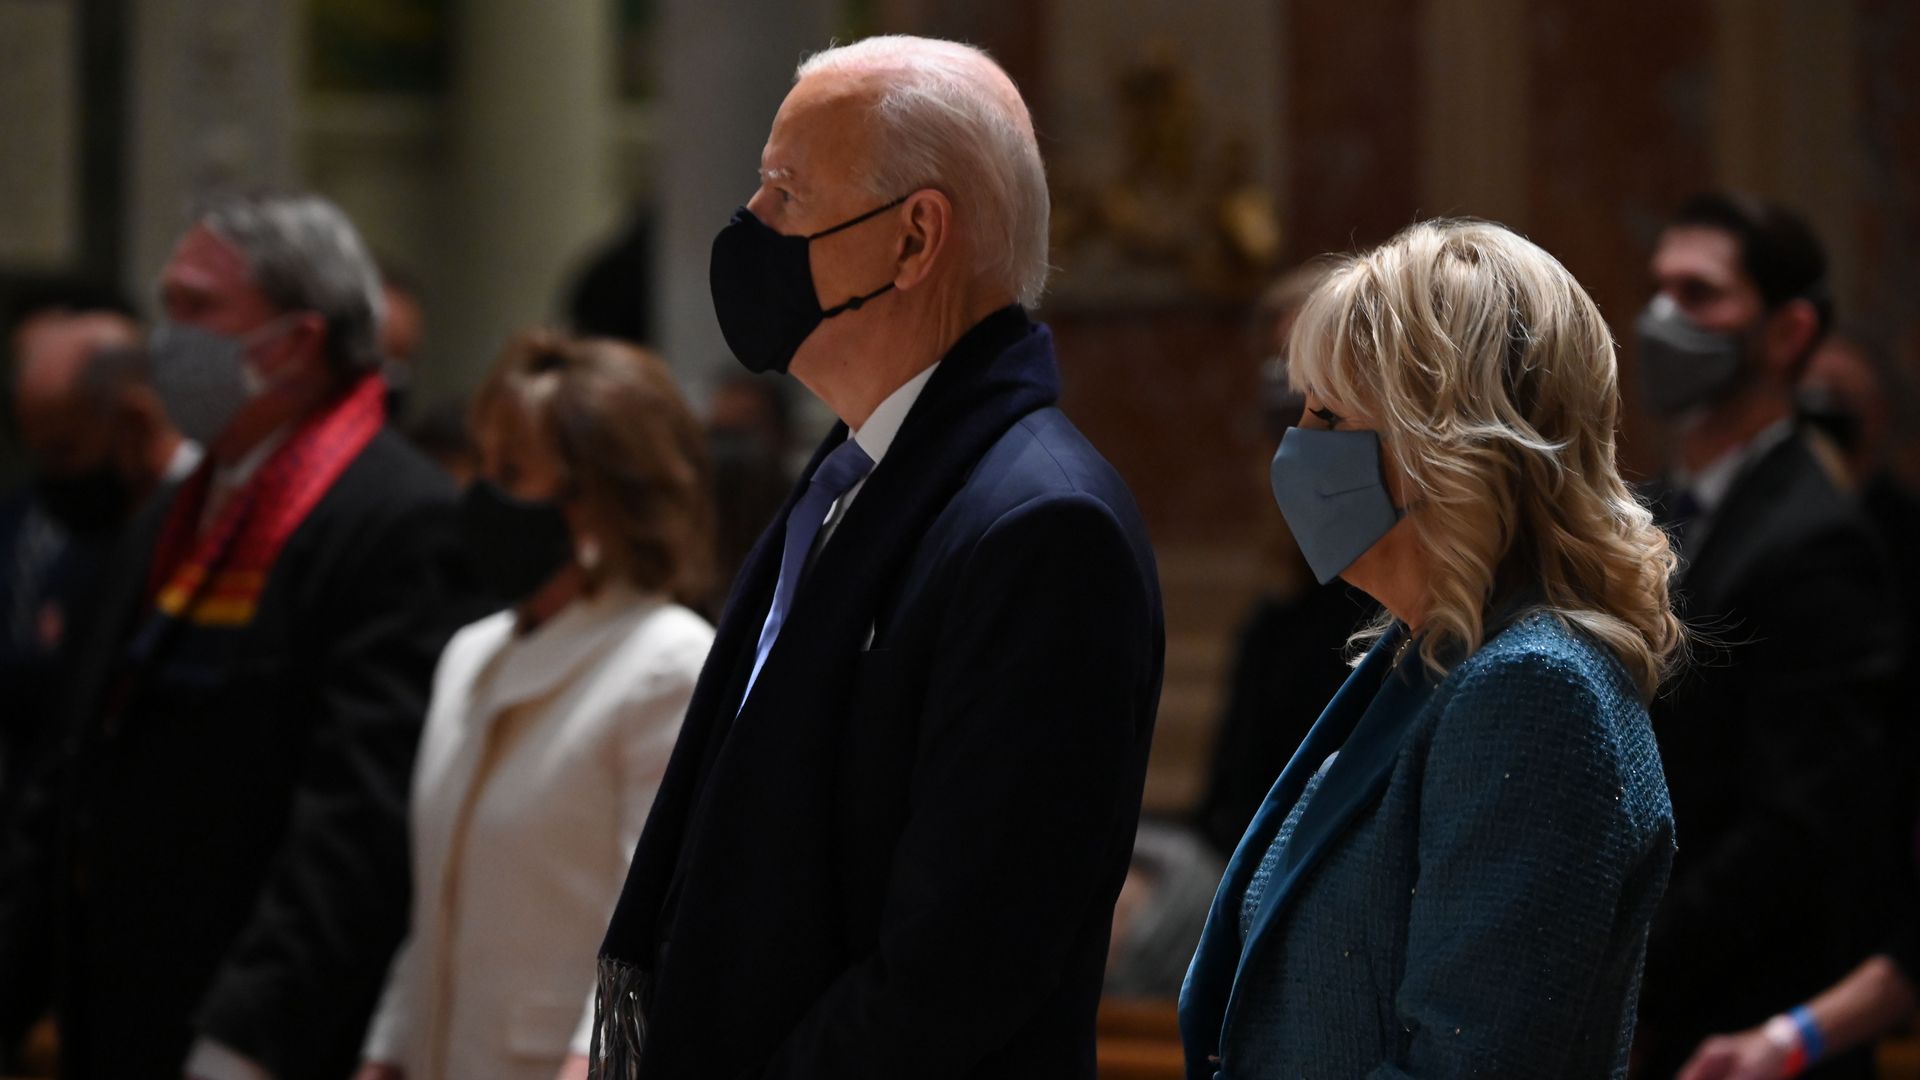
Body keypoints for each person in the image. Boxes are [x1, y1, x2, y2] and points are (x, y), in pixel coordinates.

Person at [591, 35, 1165, 1079]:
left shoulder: (1042, 529)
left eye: (784, 193)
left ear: (914, 241)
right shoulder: (852, 483)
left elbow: (959, 970)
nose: (748, 228)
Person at [1180, 219, 1685, 1078]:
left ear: (1447, 445)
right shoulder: (1427, 656)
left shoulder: (1533, 690)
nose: (1294, 447)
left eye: (1327, 414)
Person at [0, 190, 479, 1079]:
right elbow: (76, 766)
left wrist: (247, 1038)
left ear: (293, 342)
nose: (164, 341)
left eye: (195, 309)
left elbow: (356, 816)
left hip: (257, 1040)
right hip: (119, 1017)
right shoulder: (179, 511)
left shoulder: (395, 518)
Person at [356, 332, 714, 1080]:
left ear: (598, 499)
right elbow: (438, 909)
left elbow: (659, 936)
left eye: (511, 472)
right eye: (482, 465)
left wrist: (595, 1063)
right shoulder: (471, 654)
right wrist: (386, 1049)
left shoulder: (668, 663)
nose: (480, 495)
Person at [1632, 194, 1909, 1079]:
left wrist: (1628, 963)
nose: (1664, 317)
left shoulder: (1817, 539)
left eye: (1701, 293)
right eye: (1658, 289)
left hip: (1742, 1025)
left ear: (1788, 333)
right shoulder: (1649, 509)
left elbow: (1795, 825)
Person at [1, 311, 198, 805]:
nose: (51, 480)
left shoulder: (208, 527)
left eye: (63, 452)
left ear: (135, 421)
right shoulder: (88, 534)